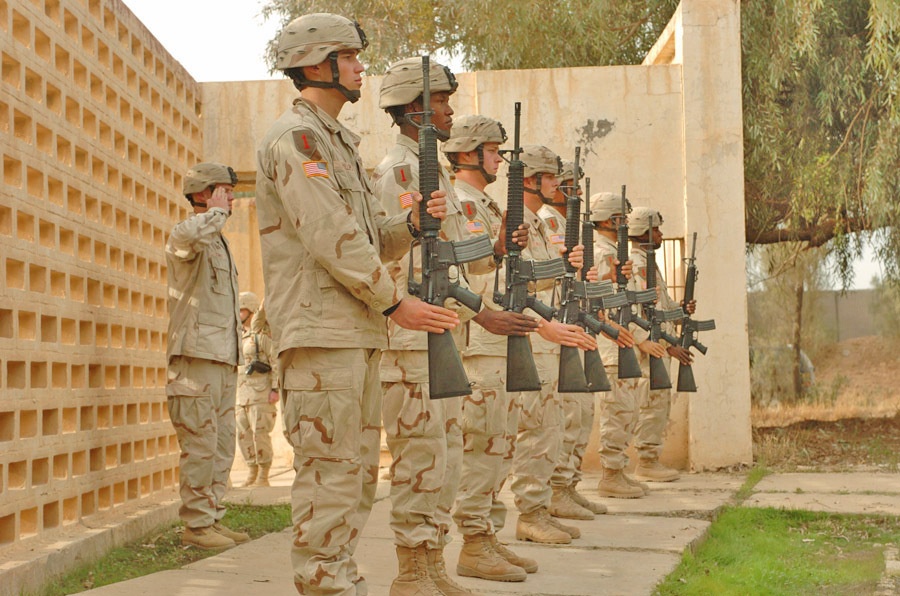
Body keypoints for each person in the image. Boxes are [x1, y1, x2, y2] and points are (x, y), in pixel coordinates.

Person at [256, 15, 458, 596]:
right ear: (317, 65)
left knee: (356, 481)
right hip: (322, 339)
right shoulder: (295, 139)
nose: (361, 67)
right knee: (331, 484)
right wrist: (398, 305)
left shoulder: (337, 141)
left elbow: (367, 237)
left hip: (351, 334)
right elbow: (329, 235)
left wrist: (413, 224)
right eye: (350, 57)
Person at [374, 57, 530, 596]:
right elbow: (397, 253)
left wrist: (497, 248)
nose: (449, 109)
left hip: (441, 330)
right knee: (420, 459)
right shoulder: (398, 169)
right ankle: (412, 572)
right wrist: (476, 306)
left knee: (444, 457)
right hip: (409, 340)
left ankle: (432, 566)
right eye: (439, 100)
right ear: (414, 108)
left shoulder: (433, 170)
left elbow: (457, 257)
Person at [445, 115, 542, 583]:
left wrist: (506, 248)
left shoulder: (482, 204)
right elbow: (459, 271)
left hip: (497, 337)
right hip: (478, 340)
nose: (500, 159)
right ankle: (474, 541)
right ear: (468, 154)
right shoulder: (459, 204)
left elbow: (493, 265)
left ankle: (486, 536)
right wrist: (497, 249)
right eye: (492, 150)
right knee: (482, 445)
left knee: (500, 445)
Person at [512, 146, 596, 544]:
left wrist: (566, 262)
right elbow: (515, 285)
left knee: (553, 426)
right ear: (529, 180)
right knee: (536, 429)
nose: (557, 185)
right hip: (533, 335)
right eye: (550, 178)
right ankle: (530, 513)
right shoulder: (526, 222)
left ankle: (545, 504)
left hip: (548, 333)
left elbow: (544, 279)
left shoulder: (542, 225)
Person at [165, 162, 250, 549]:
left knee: (221, 444)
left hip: (222, 359)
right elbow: (187, 238)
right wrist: (215, 212)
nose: (231, 197)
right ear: (202, 194)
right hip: (196, 360)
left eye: (230, 192)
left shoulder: (220, 240)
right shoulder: (190, 232)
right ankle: (196, 526)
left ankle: (211, 518)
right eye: (223, 191)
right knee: (199, 445)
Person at [537, 161, 610, 519]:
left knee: (581, 413)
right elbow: (550, 272)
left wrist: (587, 277)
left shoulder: (571, 227)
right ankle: (554, 491)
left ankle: (568, 486)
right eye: (568, 184)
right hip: (554, 325)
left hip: (573, 323)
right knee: (564, 416)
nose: (576, 192)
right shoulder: (548, 221)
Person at [627, 207, 695, 482]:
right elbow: (632, 308)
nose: (660, 234)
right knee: (651, 404)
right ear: (643, 232)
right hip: (649, 348)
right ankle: (646, 462)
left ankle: (650, 459)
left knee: (658, 403)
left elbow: (660, 308)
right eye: (655, 230)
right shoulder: (636, 263)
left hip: (659, 344)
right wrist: (646, 342)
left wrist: (680, 310)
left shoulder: (649, 262)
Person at [589, 191, 650, 498]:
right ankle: (610, 475)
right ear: (611, 220)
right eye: (622, 218)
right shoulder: (601, 252)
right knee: (617, 410)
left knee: (627, 409)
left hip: (621, 338)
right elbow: (597, 300)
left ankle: (618, 471)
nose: (626, 223)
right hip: (610, 342)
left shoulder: (612, 250)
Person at [235, 291, 279, 487]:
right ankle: (252, 471)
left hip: (261, 391)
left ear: (251, 310)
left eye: (242, 309)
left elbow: (275, 362)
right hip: (242, 393)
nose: (239, 313)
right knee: (243, 434)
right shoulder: (240, 335)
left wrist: (275, 389)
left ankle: (263, 475)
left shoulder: (262, 336)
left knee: (260, 434)